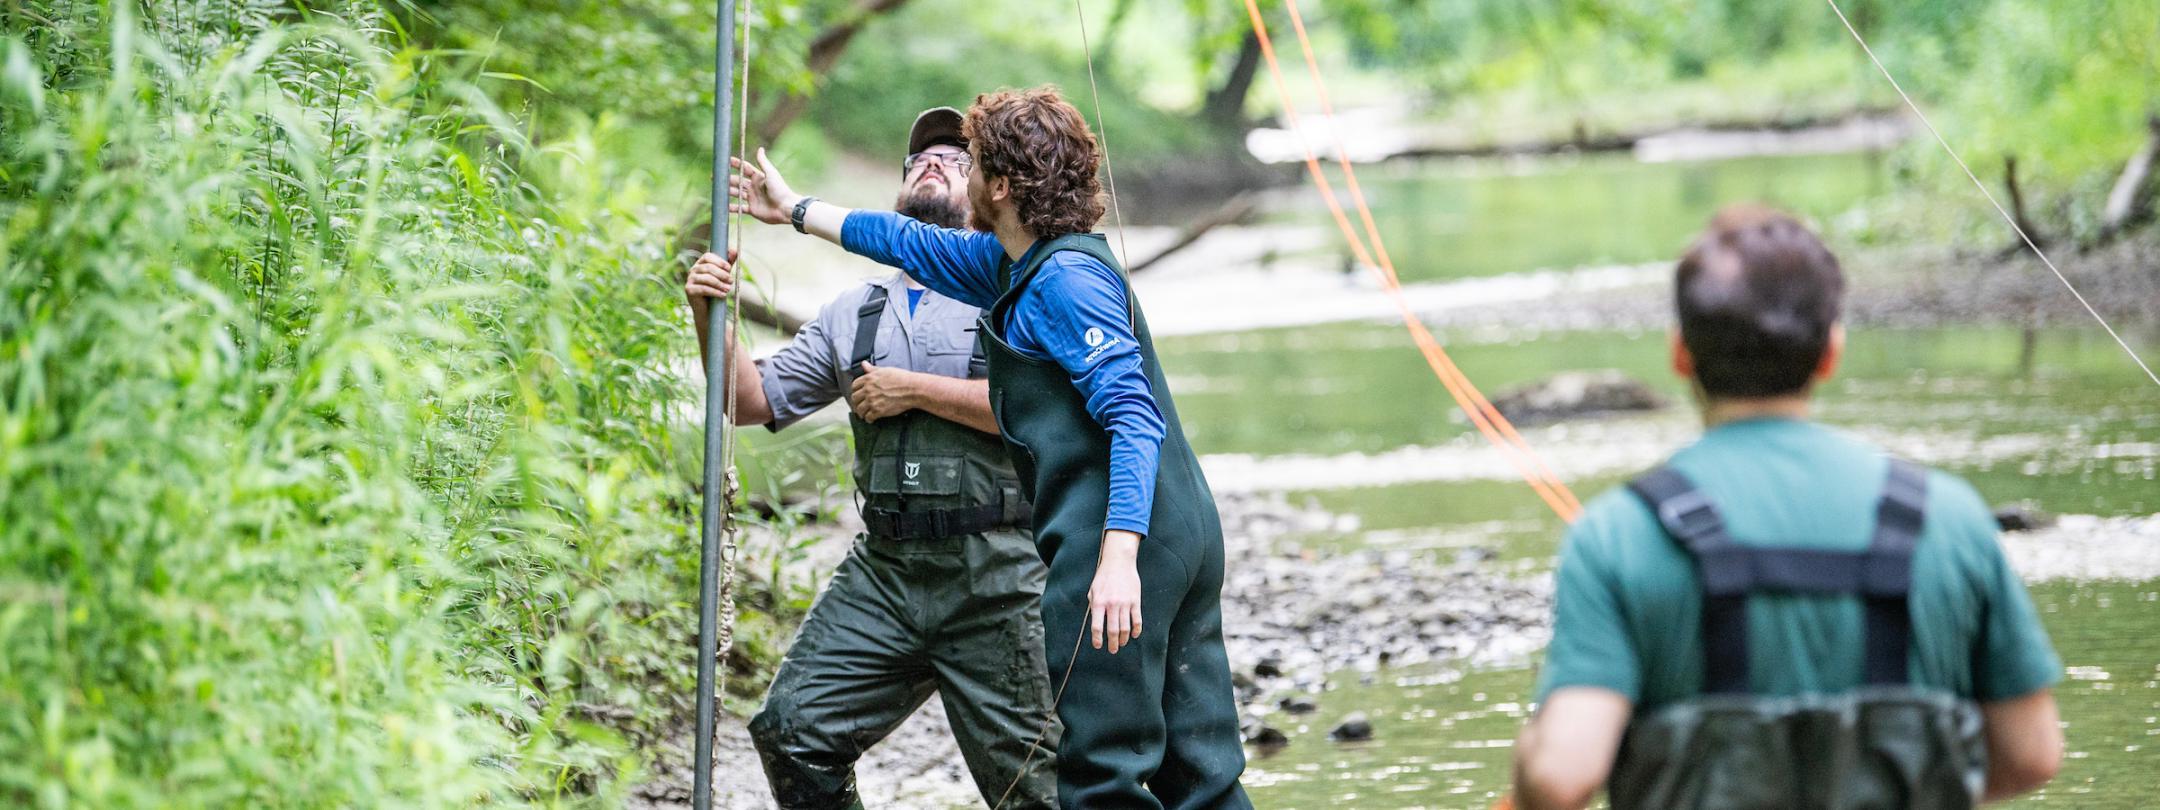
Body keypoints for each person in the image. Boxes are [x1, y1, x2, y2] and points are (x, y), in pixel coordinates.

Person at [726, 86, 1251, 809]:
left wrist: (1119, 560)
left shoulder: (1063, 280)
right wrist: (795, 210)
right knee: (1199, 771)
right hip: (1163, 526)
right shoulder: (1013, 264)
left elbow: (1133, 415)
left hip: (1130, 538)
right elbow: (904, 241)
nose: (956, 174)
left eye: (968, 162)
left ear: (999, 185)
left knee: (1099, 773)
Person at [1509, 207, 2065, 810]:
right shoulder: (1947, 517)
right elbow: (2032, 754)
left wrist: (1529, 759)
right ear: (1831, 351)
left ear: (1681, 355)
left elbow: (1563, 776)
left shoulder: (1616, 535)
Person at [685, 107, 1058, 810]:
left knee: (1038, 790)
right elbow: (751, 401)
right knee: (791, 733)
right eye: (920, 158)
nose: (932, 163)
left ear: (988, 190)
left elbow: (1038, 412)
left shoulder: (1019, 289)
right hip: (886, 573)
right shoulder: (854, 310)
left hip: (1001, 576)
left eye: (955, 158)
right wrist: (712, 315)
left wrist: (914, 391)